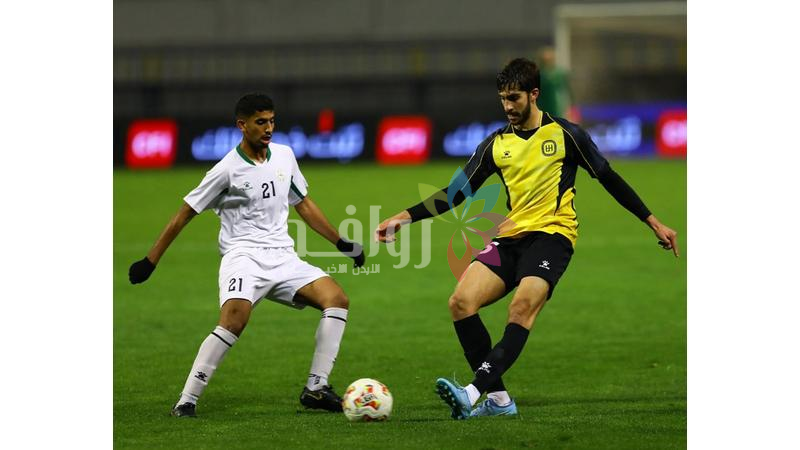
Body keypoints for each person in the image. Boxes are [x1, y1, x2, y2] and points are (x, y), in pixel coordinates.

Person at [375, 58, 678, 420]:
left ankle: (472, 392)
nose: (507, 106)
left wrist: (653, 221)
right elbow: (456, 192)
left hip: (553, 237)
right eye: (503, 98)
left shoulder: (567, 135)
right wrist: (404, 217)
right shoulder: (495, 144)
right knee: (460, 302)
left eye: (514, 98)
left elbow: (609, 177)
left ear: (534, 94)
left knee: (520, 308)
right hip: (510, 239)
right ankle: (501, 402)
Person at [128, 93, 365, 418]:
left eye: (271, 121)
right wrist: (150, 261)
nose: (268, 128)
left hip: (283, 257)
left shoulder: (284, 156)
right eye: (260, 122)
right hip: (243, 258)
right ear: (242, 125)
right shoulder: (226, 170)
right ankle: (187, 400)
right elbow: (184, 213)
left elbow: (304, 205)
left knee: (337, 299)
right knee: (234, 322)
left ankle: (316, 388)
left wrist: (341, 243)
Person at [536, 46, 574, 121]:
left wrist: (570, 108)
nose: (548, 62)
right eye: (545, 60)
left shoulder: (559, 74)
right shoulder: (537, 75)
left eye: (549, 59)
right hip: (542, 109)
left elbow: (567, 92)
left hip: (558, 110)